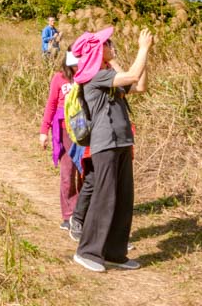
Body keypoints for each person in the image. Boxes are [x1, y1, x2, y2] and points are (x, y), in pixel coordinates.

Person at [71, 27, 153, 273]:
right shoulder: (94, 76)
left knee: (123, 199)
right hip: (105, 143)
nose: (112, 45)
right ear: (97, 50)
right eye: (108, 43)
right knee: (105, 198)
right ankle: (87, 251)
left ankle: (115, 253)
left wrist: (140, 57)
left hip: (122, 142)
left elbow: (139, 86)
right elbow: (130, 77)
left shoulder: (108, 72)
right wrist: (143, 48)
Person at [38, 50, 83, 230]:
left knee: (84, 171)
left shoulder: (87, 76)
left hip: (84, 128)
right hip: (64, 128)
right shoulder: (59, 78)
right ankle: (68, 214)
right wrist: (44, 131)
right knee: (67, 171)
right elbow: (51, 104)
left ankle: (81, 212)